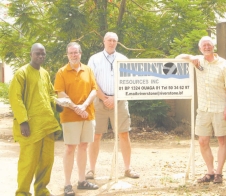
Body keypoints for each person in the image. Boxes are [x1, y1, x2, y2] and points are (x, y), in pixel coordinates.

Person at [175, 36, 226, 184]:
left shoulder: (223, 64)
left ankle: (219, 173)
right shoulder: (198, 61)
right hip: (203, 109)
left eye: (209, 44)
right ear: (200, 48)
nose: (207, 47)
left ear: (213, 46)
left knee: (222, 140)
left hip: (220, 108)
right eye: (204, 46)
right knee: (202, 141)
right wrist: (191, 57)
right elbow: (178, 58)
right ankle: (210, 171)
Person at [9, 43, 62, 196]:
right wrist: (23, 121)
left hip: (47, 125)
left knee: (47, 161)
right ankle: (22, 192)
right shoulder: (22, 73)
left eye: (43, 54)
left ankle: (41, 190)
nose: (41, 56)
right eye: (38, 53)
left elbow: (50, 93)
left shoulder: (45, 73)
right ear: (31, 54)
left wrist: (57, 103)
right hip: (31, 126)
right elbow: (15, 98)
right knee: (28, 163)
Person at [86, 32, 139, 179]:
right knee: (95, 135)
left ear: (117, 42)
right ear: (104, 41)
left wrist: (115, 98)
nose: (111, 43)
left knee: (124, 134)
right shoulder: (94, 59)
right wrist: (104, 97)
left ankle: (128, 168)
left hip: (120, 100)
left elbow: (129, 80)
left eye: (114, 40)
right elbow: (91, 81)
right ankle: (91, 170)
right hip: (98, 100)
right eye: (109, 40)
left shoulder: (123, 59)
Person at [54, 42, 99, 196]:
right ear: (67, 55)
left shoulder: (88, 70)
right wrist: (76, 108)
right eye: (71, 53)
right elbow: (60, 94)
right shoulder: (61, 72)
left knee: (84, 146)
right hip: (69, 117)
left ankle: (82, 181)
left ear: (81, 53)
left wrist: (84, 106)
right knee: (69, 148)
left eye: (76, 52)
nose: (73, 55)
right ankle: (67, 184)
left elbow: (94, 90)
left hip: (88, 114)